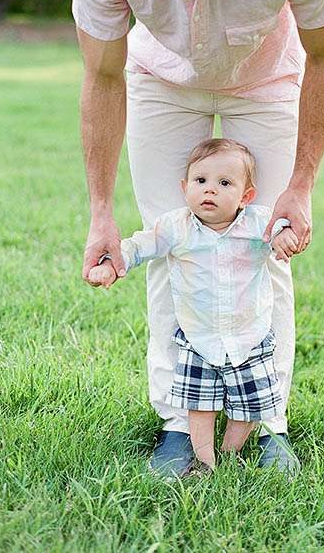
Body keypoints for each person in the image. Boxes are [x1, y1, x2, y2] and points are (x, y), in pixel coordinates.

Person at [71, 0, 324, 477]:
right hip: (162, 84)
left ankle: (269, 420)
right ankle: (180, 422)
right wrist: (101, 211)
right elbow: (103, 75)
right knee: (168, 246)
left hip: (268, 82)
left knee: (269, 248)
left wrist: (301, 186)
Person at [89, 139, 299, 473]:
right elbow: (141, 245)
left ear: (246, 196)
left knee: (248, 408)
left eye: (224, 183)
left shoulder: (257, 224)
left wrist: (285, 235)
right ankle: (205, 462)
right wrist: (113, 263)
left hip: (249, 337)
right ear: (185, 188)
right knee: (200, 408)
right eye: (201, 182)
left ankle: (231, 454)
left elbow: (280, 228)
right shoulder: (176, 227)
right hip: (199, 338)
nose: (210, 191)